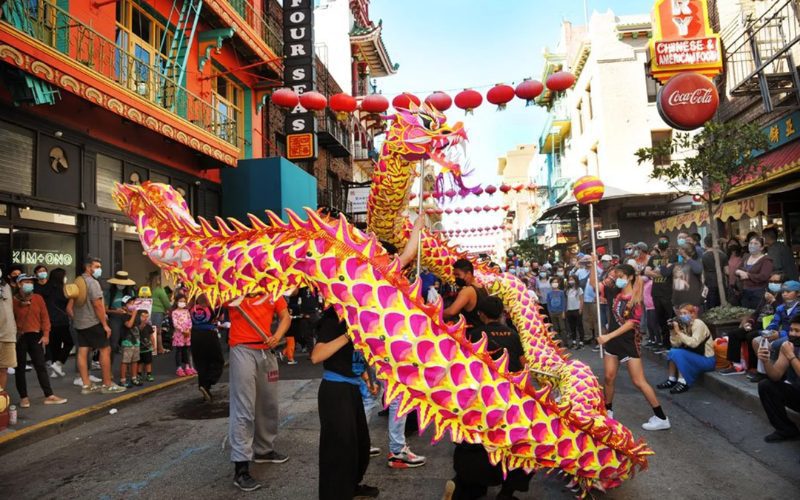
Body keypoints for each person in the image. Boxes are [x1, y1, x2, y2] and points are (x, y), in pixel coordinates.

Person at [447, 296, 532, 500]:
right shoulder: (512, 334)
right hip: (509, 398)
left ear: (481, 314)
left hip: (481, 398)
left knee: (475, 443)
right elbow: (523, 365)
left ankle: (467, 486)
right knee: (517, 443)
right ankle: (507, 492)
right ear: (502, 313)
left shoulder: (475, 333)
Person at [311, 307, 379, 500]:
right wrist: (348, 336)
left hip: (351, 389)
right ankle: (336, 494)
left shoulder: (355, 320)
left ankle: (350, 486)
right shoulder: (333, 321)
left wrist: (367, 379)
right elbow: (317, 356)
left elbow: (354, 356)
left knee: (359, 445)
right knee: (338, 449)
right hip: (335, 392)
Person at [227, 293, 292, 492]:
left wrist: (278, 336)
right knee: (244, 408)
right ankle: (241, 467)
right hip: (242, 351)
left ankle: (264, 449)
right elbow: (210, 299)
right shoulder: (231, 289)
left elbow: (285, 317)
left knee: (268, 403)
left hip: (266, 352)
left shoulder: (272, 290)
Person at [597, 264, 670, 430]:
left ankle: (661, 417)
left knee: (638, 381)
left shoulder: (636, 299)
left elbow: (631, 324)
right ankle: (608, 411)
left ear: (630, 277)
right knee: (608, 377)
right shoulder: (614, 292)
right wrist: (595, 264)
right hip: (613, 343)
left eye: (621, 276)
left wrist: (608, 335)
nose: (618, 279)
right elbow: (596, 285)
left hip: (629, 343)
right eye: (617, 276)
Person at [68, 257, 125, 395]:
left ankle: (86, 385)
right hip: (93, 322)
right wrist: (105, 325)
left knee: (82, 352)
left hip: (80, 323)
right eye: (97, 266)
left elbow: (69, 307)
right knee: (105, 350)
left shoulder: (77, 282)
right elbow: (98, 305)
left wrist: (77, 319)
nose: (100, 269)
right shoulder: (92, 283)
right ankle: (107, 384)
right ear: (89, 267)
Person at [12, 274, 67, 407]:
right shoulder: (13, 301)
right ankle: (23, 397)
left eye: (31, 282)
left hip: (35, 335)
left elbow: (45, 318)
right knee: (20, 368)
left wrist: (46, 334)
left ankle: (49, 395)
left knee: (40, 366)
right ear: (19, 284)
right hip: (20, 337)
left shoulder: (38, 298)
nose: (29, 284)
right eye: (26, 282)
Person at [720, 273, 783, 375]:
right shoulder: (766, 295)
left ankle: (753, 367)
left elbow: (782, 312)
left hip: (769, 326)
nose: (773, 284)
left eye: (776, 282)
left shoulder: (783, 297)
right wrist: (749, 322)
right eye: (771, 281)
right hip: (757, 323)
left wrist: (774, 301)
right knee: (734, 334)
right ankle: (737, 365)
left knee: (751, 336)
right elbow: (756, 312)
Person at [756, 313, 800, 443]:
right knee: (766, 385)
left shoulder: (789, 351)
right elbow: (776, 376)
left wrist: (791, 356)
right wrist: (765, 361)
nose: (793, 334)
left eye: (797, 331)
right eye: (791, 330)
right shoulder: (788, 346)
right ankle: (785, 429)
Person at [657, 304, 715, 393]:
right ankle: (672, 379)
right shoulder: (685, 325)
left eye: (685, 313)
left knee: (678, 353)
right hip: (696, 356)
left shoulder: (698, 324)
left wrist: (679, 332)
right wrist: (672, 332)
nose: (682, 316)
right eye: (681, 314)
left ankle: (683, 382)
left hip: (707, 359)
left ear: (692, 314)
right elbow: (675, 344)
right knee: (673, 351)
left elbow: (694, 343)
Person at [38, 267, 72, 379]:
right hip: (61, 320)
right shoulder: (62, 289)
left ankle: (55, 369)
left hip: (49, 321)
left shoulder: (46, 288)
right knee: (69, 342)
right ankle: (58, 363)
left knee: (54, 346)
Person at [191, 294, 224, 402]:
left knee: (201, 363)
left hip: (195, 335)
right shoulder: (212, 305)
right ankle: (208, 383)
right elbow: (221, 318)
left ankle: (204, 387)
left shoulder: (192, 307)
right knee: (218, 361)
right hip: (209, 334)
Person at [443, 259, 489, 329]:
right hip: (482, 330)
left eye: (458, 275)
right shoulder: (483, 288)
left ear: (468, 274)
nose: (456, 278)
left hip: (470, 334)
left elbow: (451, 312)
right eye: (455, 275)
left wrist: (436, 314)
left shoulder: (467, 291)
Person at [735, 236, 774, 310]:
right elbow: (737, 269)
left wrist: (748, 275)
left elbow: (764, 276)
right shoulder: (746, 257)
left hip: (759, 292)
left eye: (756, 243)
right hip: (745, 291)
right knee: (746, 314)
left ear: (762, 247)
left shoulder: (766, 260)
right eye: (751, 243)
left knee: (757, 314)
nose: (752, 245)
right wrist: (738, 272)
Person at [106, 271, 137, 356]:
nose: (121, 285)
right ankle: (110, 363)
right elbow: (105, 309)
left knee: (129, 342)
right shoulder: (110, 293)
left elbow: (135, 306)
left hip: (127, 317)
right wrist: (115, 311)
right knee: (114, 341)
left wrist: (127, 310)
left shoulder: (131, 292)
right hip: (114, 317)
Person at [670, 243, 704, 310]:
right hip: (678, 302)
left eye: (683, 249)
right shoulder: (677, 264)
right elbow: (664, 272)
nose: (680, 250)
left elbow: (698, 270)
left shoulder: (697, 262)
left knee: (694, 320)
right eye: (680, 249)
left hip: (692, 302)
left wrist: (687, 257)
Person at [0, 267, 16, 393]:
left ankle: (1, 400)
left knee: (4, 368)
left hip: (7, 333)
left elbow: (10, 309)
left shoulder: (6, 287)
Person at [702, 235, 729, 310]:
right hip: (721, 282)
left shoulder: (703, 257)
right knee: (722, 304)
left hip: (709, 282)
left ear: (705, 244)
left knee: (711, 306)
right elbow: (727, 271)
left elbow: (702, 274)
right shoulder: (723, 255)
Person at [170, 296, 195, 377]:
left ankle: (187, 366)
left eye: (184, 301)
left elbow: (190, 321)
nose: (182, 303)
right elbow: (175, 323)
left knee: (187, 350)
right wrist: (183, 330)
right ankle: (179, 368)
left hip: (187, 334)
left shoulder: (186, 311)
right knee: (179, 351)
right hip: (179, 334)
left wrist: (188, 330)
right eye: (181, 301)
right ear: (177, 302)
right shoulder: (174, 312)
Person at [119, 303, 142, 388]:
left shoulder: (136, 315)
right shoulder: (124, 316)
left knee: (135, 361)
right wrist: (134, 314)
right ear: (124, 307)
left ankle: (134, 378)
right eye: (130, 303)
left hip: (136, 341)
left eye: (133, 302)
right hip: (127, 342)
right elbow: (129, 325)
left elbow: (140, 326)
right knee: (125, 361)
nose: (132, 305)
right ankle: (123, 380)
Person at [148, 271, 171, 355]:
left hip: (148, 311)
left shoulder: (148, 288)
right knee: (158, 331)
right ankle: (160, 349)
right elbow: (166, 303)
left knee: (150, 331)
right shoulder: (159, 290)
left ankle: (151, 349)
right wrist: (170, 309)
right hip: (158, 311)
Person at [546, 277, 567, 345]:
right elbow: (548, 303)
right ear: (551, 284)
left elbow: (563, 302)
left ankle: (565, 342)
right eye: (553, 282)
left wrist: (563, 312)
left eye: (556, 282)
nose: (555, 284)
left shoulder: (561, 292)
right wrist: (550, 312)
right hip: (552, 312)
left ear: (558, 283)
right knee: (555, 328)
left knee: (563, 328)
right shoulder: (549, 293)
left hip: (560, 312)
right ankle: (558, 343)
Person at [565, 275, 584, 349]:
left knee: (579, 326)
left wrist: (580, 309)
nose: (571, 281)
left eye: (572, 279)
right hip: (570, 310)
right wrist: (566, 309)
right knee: (572, 326)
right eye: (569, 279)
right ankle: (574, 341)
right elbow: (567, 300)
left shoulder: (579, 289)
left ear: (576, 280)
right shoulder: (567, 290)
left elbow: (581, 300)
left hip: (577, 309)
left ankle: (581, 341)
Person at [137, 310, 155, 382]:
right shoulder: (136, 326)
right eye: (143, 316)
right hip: (139, 348)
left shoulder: (148, 326)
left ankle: (149, 374)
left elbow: (151, 336)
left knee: (148, 362)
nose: (145, 318)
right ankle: (139, 374)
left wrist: (154, 345)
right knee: (140, 362)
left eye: (147, 317)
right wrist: (142, 324)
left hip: (147, 347)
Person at [726, 239, 744, 305]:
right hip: (730, 285)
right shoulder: (726, 256)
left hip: (739, 284)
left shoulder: (742, 256)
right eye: (730, 243)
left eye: (734, 243)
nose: (732, 245)